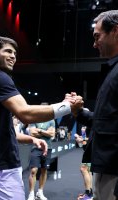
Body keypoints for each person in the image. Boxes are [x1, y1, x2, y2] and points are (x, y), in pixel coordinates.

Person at [0, 36, 82, 200]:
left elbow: (7, 131)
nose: (13, 56)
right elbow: (25, 114)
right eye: (8, 51)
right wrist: (67, 106)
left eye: (15, 53)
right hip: (0, 166)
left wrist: (32, 140)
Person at [69, 10, 118, 200]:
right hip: (106, 168)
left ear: (115, 31)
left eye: (97, 36)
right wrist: (78, 112)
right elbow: (105, 120)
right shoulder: (112, 70)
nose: (94, 43)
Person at [27, 117, 56, 200]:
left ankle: (40, 192)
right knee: (33, 170)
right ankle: (31, 194)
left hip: (48, 148)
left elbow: (52, 134)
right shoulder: (34, 119)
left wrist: (39, 130)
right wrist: (46, 132)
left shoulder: (51, 120)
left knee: (44, 170)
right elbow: (32, 133)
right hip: (35, 147)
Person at [75, 126, 93, 200]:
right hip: (88, 149)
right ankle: (89, 193)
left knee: (84, 169)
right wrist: (81, 138)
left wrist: (83, 139)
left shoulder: (93, 122)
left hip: (91, 149)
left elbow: (95, 138)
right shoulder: (87, 124)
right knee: (88, 170)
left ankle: (89, 195)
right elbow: (86, 138)